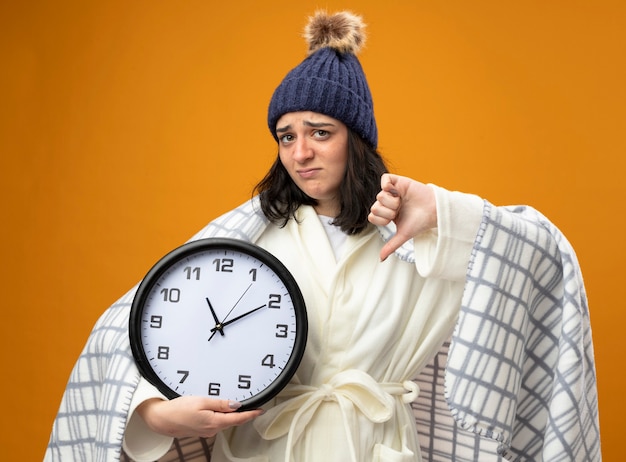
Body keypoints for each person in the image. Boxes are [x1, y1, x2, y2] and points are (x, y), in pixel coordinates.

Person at [45, 10, 601, 462]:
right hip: (264, 450)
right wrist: (152, 414)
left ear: (355, 139)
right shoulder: (245, 247)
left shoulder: (420, 243)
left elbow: (541, 265)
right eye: (286, 136)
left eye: (320, 133)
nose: (300, 153)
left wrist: (438, 209)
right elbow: (131, 335)